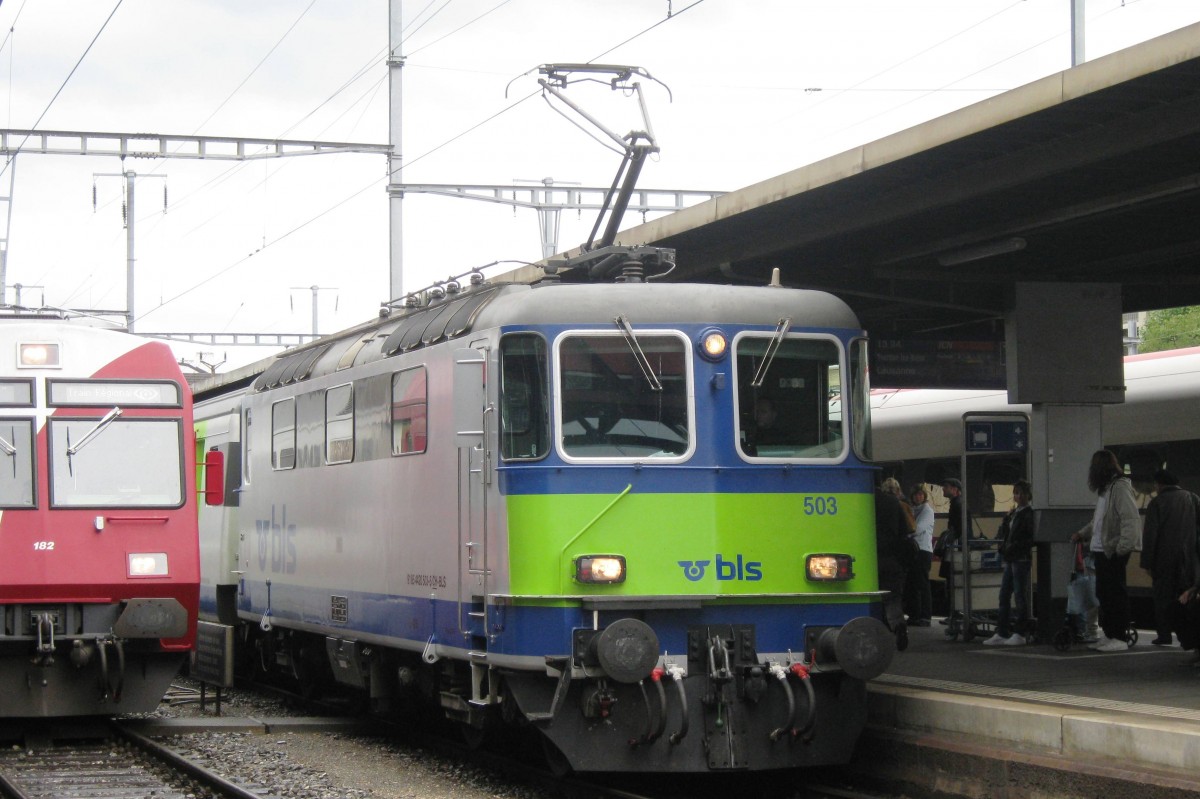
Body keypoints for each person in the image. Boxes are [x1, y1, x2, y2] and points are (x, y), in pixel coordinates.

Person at [1071, 450, 1139, 653]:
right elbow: (1098, 521)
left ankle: (1119, 636)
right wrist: (1082, 534)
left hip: (1113, 549)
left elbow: (1130, 519)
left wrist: (1123, 547)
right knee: (1104, 593)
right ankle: (1109, 634)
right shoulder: (1105, 490)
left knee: (1115, 593)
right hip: (1101, 549)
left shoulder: (1120, 488)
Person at [1140, 469, 1200, 646]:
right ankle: (1190, 640)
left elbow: (1150, 535)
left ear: (1159, 484)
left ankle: (1164, 634)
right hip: (1189, 559)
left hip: (1163, 560)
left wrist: (1147, 562)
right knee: (1188, 598)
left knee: (1162, 598)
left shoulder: (1157, 503)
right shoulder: (1193, 498)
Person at [983, 480, 1036, 646]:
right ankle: (1002, 632)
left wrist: (1012, 547)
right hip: (1011, 558)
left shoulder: (1029, 513)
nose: (1017, 496)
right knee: (1004, 594)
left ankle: (1020, 633)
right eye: (1015, 493)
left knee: (1020, 596)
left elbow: (1029, 538)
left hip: (1021, 558)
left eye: (1020, 493)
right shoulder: (1015, 513)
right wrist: (1006, 522)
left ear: (1028, 495)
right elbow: (1006, 532)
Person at [875, 479, 915, 651]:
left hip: (869, 557)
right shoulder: (893, 502)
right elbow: (905, 531)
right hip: (892, 558)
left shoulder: (860, 500)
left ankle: (878, 632)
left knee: (873, 598)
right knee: (893, 597)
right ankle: (898, 625)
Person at [905, 484, 935, 627]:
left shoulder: (927, 511)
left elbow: (918, 528)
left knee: (922, 583)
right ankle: (914, 614)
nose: (919, 497)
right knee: (913, 583)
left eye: (921, 495)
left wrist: (906, 533)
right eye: (916, 495)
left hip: (923, 550)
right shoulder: (913, 509)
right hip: (913, 550)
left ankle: (925, 616)